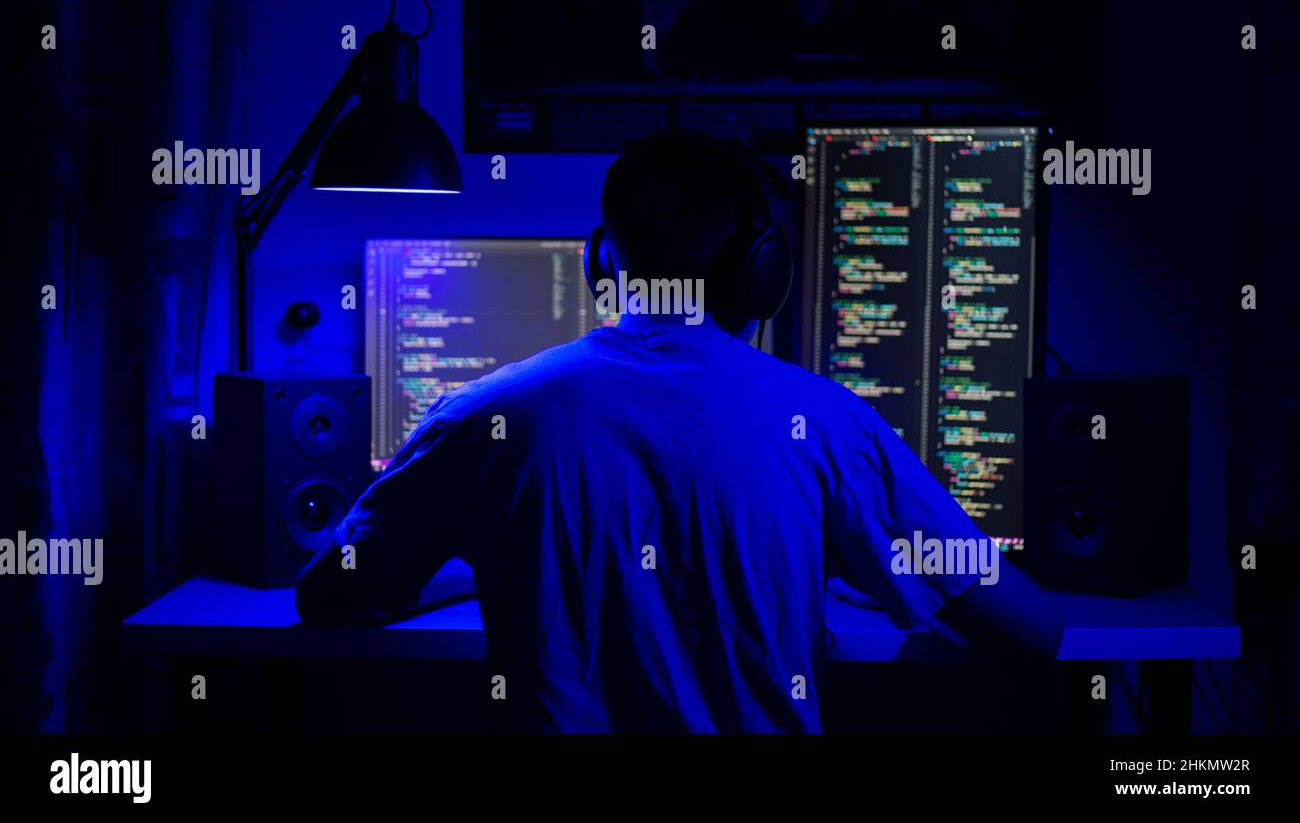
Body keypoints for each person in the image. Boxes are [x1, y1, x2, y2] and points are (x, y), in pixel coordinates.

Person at [295, 132, 1064, 732]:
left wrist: (491, 553)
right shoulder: (830, 426)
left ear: (605, 261)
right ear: (761, 273)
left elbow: (330, 597)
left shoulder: (480, 417)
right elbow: (1032, 629)